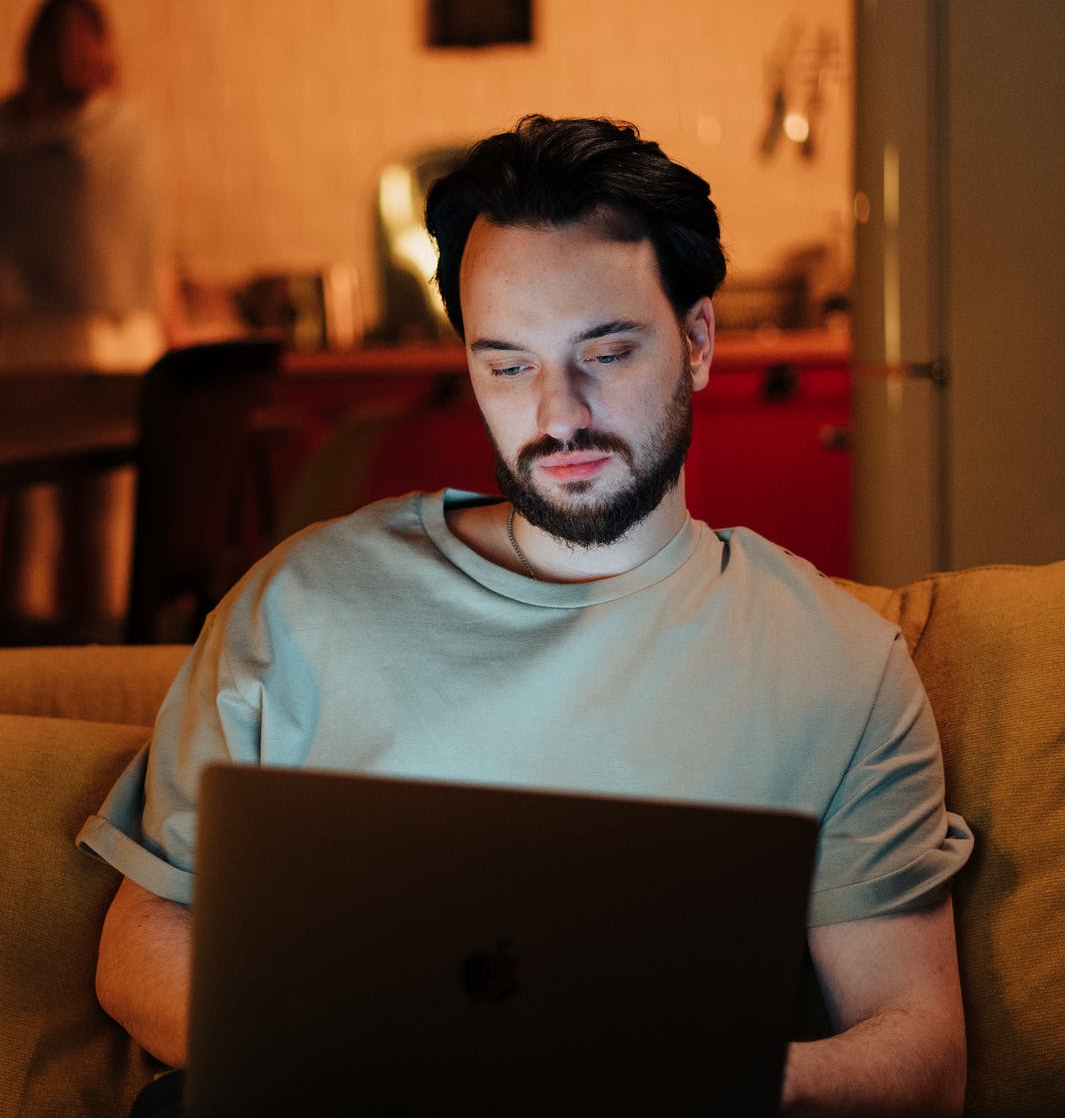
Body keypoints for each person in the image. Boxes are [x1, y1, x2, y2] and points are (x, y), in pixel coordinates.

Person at [77, 115, 973, 1115]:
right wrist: (365, 1063)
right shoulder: (301, 605)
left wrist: (745, 1080)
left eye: (605, 350)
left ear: (697, 341)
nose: (558, 412)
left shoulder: (834, 664)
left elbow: (921, 1048)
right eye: (507, 363)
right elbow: (141, 936)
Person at [0, 0, 175, 634]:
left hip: (21, 351)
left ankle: (27, 671)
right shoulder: (126, 133)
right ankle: (110, 656)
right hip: (114, 346)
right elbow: (150, 252)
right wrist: (176, 332)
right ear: (101, 47)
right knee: (113, 517)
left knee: (30, 520)